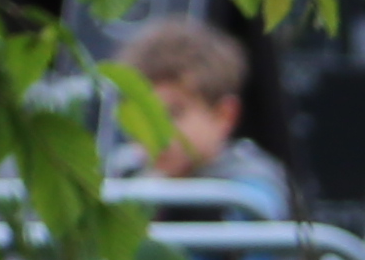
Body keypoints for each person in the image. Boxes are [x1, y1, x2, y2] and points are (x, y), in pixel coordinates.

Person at [112, 15, 292, 211]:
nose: (157, 133)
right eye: (143, 116)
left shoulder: (249, 188)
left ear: (224, 115)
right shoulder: (124, 176)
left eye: (173, 114)